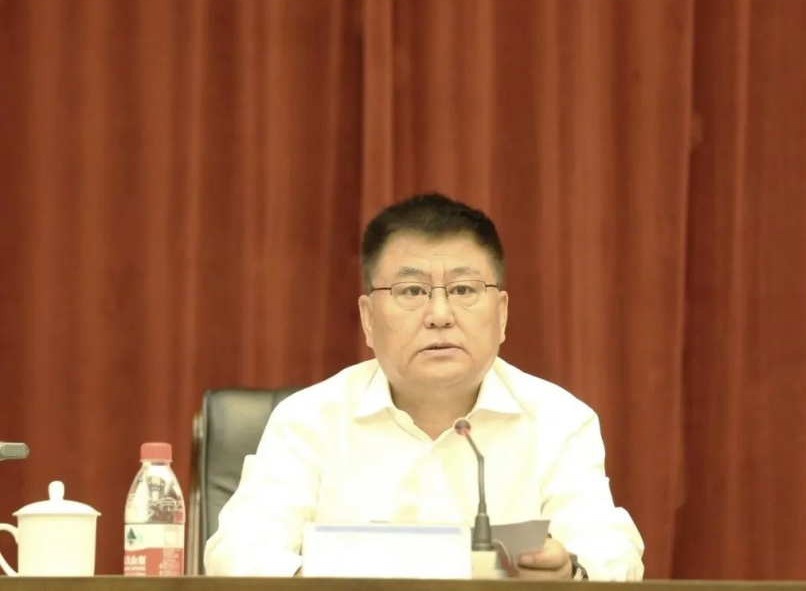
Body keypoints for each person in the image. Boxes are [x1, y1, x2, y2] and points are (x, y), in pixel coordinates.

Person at [204, 192, 645, 580]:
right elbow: (238, 550)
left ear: (502, 313)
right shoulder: (309, 420)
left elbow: (612, 550)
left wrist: (572, 570)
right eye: (412, 291)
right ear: (368, 319)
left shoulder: (559, 420)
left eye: (464, 290)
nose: (439, 314)